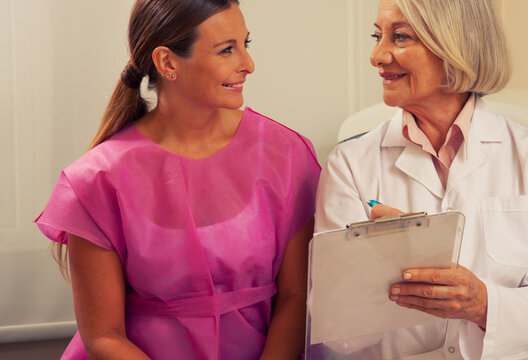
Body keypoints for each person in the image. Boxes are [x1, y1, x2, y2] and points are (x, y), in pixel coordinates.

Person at [34, 0, 320, 358]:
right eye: (227, 50)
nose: (248, 64)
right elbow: (104, 336)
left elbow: (296, 297)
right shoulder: (96, 181)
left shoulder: (286, 153)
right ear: (168, 63)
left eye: (246, 44)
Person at [314, 0, 528, 358]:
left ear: (455, 45)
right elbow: (338, 335)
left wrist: (482, 304)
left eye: (399, 37)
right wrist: (379, 263)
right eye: (376, 35)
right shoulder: (349, 166)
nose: (377, 55)